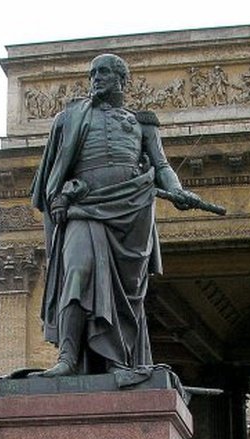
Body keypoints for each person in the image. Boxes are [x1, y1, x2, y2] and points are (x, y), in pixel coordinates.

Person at [31, 53, 203, 380]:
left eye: (104, 72)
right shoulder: (69, 118)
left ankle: (118, 360)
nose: (96, 78)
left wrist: (178, 190)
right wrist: (62, 194)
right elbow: (51, 172)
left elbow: (161, 166)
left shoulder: (142, 123)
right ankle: (67, 358)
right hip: (84, 207)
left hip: (131, 213)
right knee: (78, 272)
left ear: (122, 80)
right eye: (93, 73)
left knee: (126, 292)